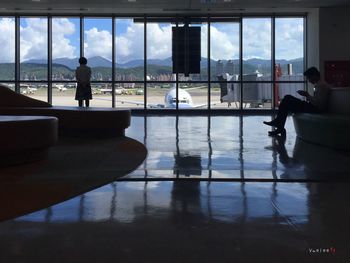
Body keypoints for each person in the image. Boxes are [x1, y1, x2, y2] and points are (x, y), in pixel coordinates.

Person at [263, 67, 331, 136]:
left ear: (314, 75)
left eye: (309, 78)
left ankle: (279, 125)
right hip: (312, 107)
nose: (309, 80)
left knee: (287, 99)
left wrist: (307, 95)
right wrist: (308, 96)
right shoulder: (319, 85)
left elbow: (320, 105)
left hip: (315, 109)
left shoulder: (322, 86)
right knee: (287, 100)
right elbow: (318, 101)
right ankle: (279, 126)